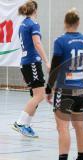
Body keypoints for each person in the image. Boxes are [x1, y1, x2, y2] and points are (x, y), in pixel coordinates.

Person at [45, 8, 83, 160]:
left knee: (62, 127)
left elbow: (54, 67)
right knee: (79, 126)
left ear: (65, 23)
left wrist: (48, 88)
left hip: (64, 89)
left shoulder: (60, 41)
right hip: (80, 89)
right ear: (78, 23)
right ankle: (81, 158)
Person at [13, 0, 50, 138]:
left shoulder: (22, 24)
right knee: (39, 95)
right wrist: (47, 61)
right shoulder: (33, 24)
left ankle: (26, 125)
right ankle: (20, 123)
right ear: (35, 10)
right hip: (32, 62)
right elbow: (37, 43)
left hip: (26, 63)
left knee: (35, 96)